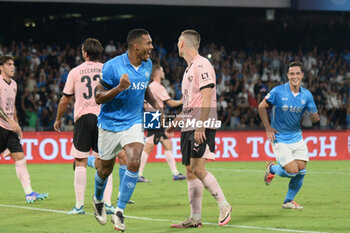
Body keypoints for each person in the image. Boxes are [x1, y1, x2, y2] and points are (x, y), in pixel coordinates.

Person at [92, 28, 161, 231]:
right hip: (109, 125)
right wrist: (119, 88)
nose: (152, 47)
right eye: (148, 43)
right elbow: (98, 97)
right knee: (105, 169)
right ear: (136, 45)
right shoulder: (112, 66)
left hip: (133, 122)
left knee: (134, 158)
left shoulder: (148, 64)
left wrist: (156, 106)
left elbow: (144, 87)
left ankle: (120, 211)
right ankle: (97, 199)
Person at [167, 30, 232, 228]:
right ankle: (195, 218)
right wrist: (176, 121)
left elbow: (206, 95)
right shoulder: (188, 69)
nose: (176, 44)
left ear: (182, 43)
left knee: (197, 168)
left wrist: (201, 124)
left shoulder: (202, 64)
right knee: (189, 170)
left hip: (200, 123)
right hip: (189, 123)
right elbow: (189, 103)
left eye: (178, 41)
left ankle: (224, 204)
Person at [54, 38, 115, 215]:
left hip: (84, 118)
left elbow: (65, 99)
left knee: (80, 161)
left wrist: (58, 119)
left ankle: (79, 206)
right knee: (105, 163)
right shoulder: (107, 69)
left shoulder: (75, 72)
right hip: (104, 119)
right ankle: (108, 204)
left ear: (85, 53)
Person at [258, 61, 320, 209]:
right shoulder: (278, 91)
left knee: (301, 171)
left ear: (302, 75)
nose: (295, 76)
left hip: (297, 137)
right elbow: (261, 107)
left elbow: (314, 114)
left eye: (298, 73)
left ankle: (288, 201)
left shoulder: (307, 95)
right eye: (292, 73)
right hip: (279, 137)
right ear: (287, 75)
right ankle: (272, 169)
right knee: (292, 171)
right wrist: (268, 128)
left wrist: (314, 118)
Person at [0, 55, 48, 203]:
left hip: (10, 128)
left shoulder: (13, 84)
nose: (12, 67)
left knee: (20, 159)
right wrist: (9, 121)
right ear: (1, 67)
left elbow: (12, 104)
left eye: (13, 64)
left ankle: (29, 194)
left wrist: (15, 122)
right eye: (9, 64)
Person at [138, 65, 186, 183]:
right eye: (163, 70)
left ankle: (175, 173)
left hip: (151, 116)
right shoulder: (158, 87)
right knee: (149, 145)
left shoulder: (149, 87)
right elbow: (170, 103)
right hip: (156, 117)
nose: (164, 72)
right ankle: (138, 174)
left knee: (166, 144)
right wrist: (182, 101)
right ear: (158, 73)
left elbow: (144, 105)